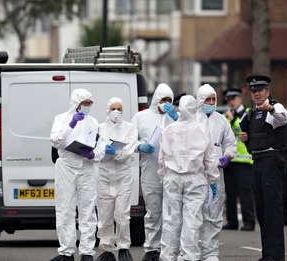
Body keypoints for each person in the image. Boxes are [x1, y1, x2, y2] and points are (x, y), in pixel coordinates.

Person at [158, 95, 220, 261]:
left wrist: (164, 175)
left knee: (171, 219)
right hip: (195, 178)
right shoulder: (201, 128)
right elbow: (210, 158)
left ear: (180, 108)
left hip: (172, 177)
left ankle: (168, 256)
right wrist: (213, 179)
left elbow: (161, 158)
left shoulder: (168, 129)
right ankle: (189, 256)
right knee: (192, 220)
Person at [239, 74, 287, 261]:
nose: (257, 94)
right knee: (261, 211)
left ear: (267, 91)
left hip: (271, 162)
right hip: (258, 162)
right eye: (253, 91)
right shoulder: (251, 113)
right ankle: (267, 254)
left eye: (260, 90)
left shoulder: (275, 107)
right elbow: (253, 141)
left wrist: (272, 110)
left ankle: (275, 256)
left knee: (272, 211)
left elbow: (284, 118)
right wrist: (245, 139)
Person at [49, 88, 99, 261]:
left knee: (88, 210)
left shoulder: (93, 122)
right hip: (66, 167)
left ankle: (86, 251)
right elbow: (55, 141)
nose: (87, 106)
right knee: (65, 209)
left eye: (89, 103)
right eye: (84, 103)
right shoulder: (61, 119)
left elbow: (98, 144)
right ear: (76, 103)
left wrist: (94, 155)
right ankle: (67, 251)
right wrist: (70, 125)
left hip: (86, 167)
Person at [131, 83, 179, 261]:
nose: (165, 103)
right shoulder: (141, 117)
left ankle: (170, 248)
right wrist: (139, 146)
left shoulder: (175, 118)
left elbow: (188, 136)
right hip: (150, 168)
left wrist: (176, 119)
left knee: (172, 211)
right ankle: (152, 248)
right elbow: (129, 140)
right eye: (163, 99)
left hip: (173, 170)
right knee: (153, 211)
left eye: (169, 100)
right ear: (156, 99)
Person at [94, 97, 138, 261]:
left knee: (122, 215)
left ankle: (123, 247)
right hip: (104, 178)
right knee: (105, 216)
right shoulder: (99, 128)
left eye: (119, 108)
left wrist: (116, 153)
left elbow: (128, 151)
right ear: (107, 110)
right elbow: (95, 151)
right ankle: (107, 249)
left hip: (122, 178)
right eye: (113, 108)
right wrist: (102, 152)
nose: (116, 112)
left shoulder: (130, 128)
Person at [196, 84, 236, 261]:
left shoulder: (221, 120)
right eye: (207, 99)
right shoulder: (192, 119)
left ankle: (211, 252)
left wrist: (227, 156)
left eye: (213, 99)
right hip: (195, 174)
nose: (211, 102)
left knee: (214, 213)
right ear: (200, 101)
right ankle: (191, 251)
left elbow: (230, 142)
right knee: (194, 213)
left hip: (216, 174)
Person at [222, 88, 256, 231]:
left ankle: (249, 221)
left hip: (244, 161)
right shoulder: (226, 115)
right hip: (230, 161)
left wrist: (233, 119)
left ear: (240, 98)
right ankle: (232, 221)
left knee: (245, 193)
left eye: (234, 98)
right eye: (229, 99)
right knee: (230, 193)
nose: (231, 101)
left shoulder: (247, 113)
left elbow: (242, 131)